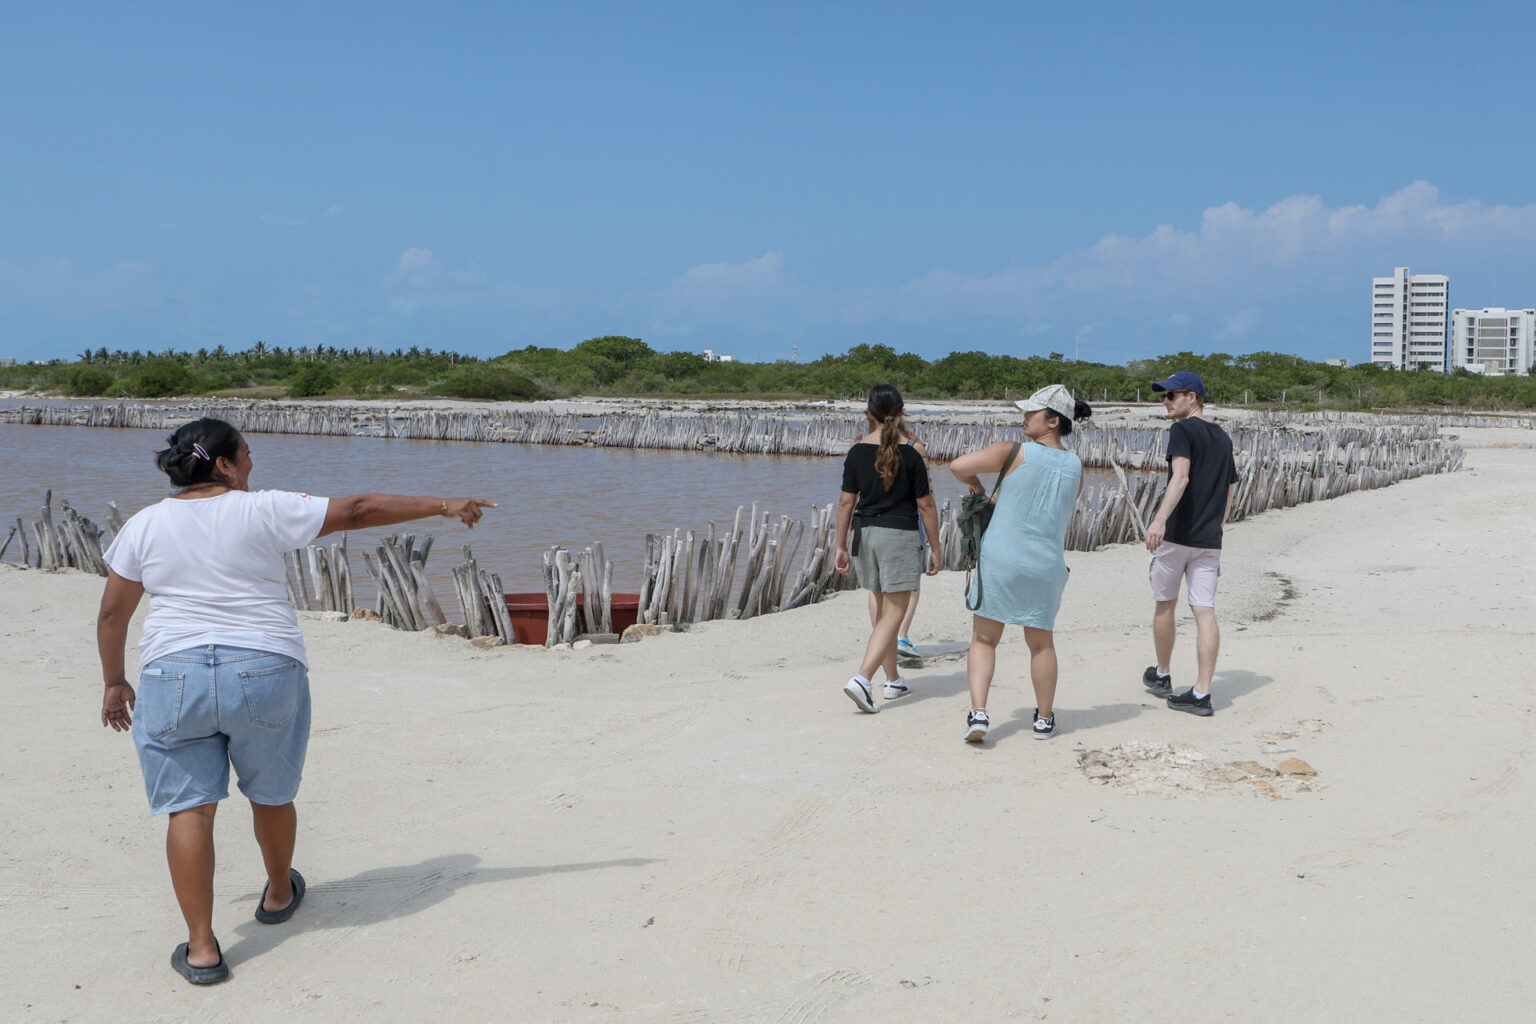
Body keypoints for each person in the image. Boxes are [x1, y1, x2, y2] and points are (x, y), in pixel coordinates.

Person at [97, 417, 495, 985]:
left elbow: (113, 612)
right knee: (271, 793)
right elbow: (357, 509)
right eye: (248, 454)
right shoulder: (263, 508)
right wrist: (444, 504)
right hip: (264, 666)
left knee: (189, 808)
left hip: (174, 672)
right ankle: (280, 894)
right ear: (225, 465)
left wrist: (114, 681)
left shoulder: (144, 524)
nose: (253, 464)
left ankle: (204, 948)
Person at [949, 385, 1090, 743]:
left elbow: (957, 466)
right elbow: (1053, 506)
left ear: (1053, 420)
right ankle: (1044, 720)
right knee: (1041, 643)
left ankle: (979, 713)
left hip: (1002, 559)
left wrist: (979, 488)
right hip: (1046, 563)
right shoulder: (1075, 465)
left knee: (984, 639)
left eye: (1032, 412)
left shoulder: (1014, 451)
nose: (1024, 417)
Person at [835, 385, 941, 712]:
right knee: (895, 612)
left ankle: (893, 680)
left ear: (868, 413)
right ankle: (864, 679)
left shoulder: (856, 451)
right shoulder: (911, 452)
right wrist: (936, 546)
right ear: (901, 413)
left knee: (881, 608)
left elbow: (845, 503)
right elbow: (925, 505)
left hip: (865, 535)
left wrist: (839, 544)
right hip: (899, 535)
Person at [1141, 370, 1239, 716]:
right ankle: (1202, 693)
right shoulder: (1223, 437)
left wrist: (1158, 520)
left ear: (1192, 397)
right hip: (1209, 540)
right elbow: (1229, 490)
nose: (1165, 402)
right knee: (1204, 612)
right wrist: (1218, 528)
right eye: (1163, 396)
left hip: (1178, 535)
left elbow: (1180, 478)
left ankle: (1163, 674)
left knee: (1165, 604)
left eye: (1171, 395)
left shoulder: (1182, 429)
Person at [866, 427, 929, 661]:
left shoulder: (862, 446)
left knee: (877, 586)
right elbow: (926, 496)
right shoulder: (914, 448)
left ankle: (880, 637)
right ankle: (900, 636)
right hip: (906, 520)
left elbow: (849, 495)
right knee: (911, 585)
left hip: (871, 522)